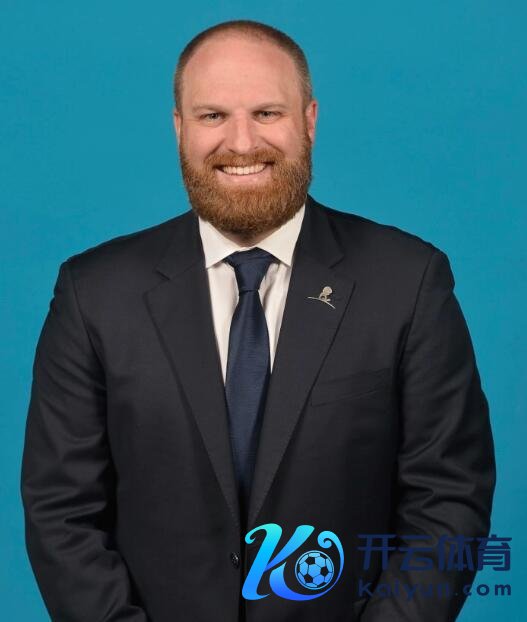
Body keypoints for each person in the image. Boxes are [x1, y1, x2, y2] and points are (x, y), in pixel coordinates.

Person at [21, 19, 496, 622]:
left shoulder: (408, 282)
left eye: (267, 112)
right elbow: (61, 513)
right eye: (213, 115)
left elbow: (449, 501)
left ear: (310, 121)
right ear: (179, 128)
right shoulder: (93, 293)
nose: (241, 143)